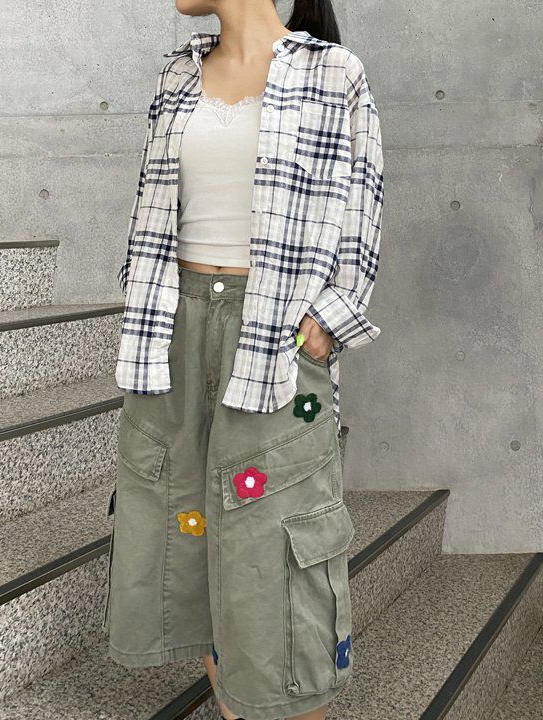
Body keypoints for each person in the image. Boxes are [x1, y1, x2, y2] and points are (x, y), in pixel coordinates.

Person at [103, 1, 384, 719]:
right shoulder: (178, 74)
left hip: (273, 337)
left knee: (272, 547)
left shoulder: (333, 73)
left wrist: (325, 324)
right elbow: (151, 210)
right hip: (174, 334)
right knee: (192, 530)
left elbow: (364, 208)